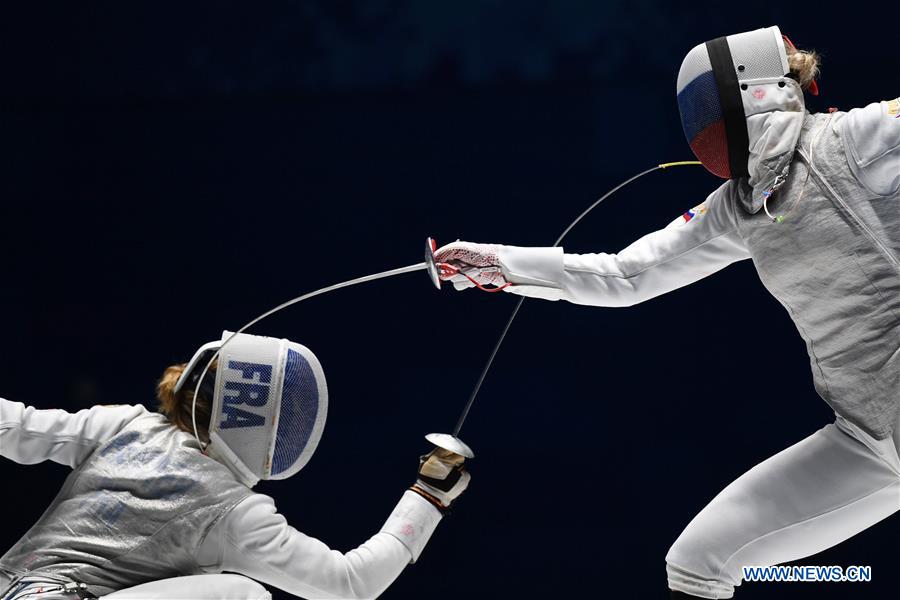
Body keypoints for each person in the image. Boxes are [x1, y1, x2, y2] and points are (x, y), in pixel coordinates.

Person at [435, 26, 899, 599]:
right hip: (871, 441)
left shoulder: (858, 137)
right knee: (698, 563)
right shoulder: (739, 207)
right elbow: (626, 276)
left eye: (704, 106)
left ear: (750, 89)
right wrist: (499, 265)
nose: (699, 128)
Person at [0, 331, 470, 600]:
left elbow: (14, 427)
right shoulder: (235, 514)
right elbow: (352, 583)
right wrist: (428, 497)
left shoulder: (124, 425)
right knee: (242, 597)